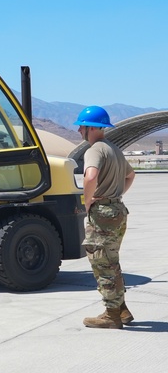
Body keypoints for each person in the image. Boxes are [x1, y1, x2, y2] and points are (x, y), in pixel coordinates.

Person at [76, 106, 135, 329]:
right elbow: (130, 176)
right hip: (118, 211)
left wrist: (88, 200)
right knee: (111, 261)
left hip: (102, 214)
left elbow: (90, 176)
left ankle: (111, 316)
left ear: (92, 128)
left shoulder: (95, 150)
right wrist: (115, 195)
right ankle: (121, 310)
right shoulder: (114, 149)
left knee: (102, 263)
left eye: (81, 126)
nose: (79, 130)